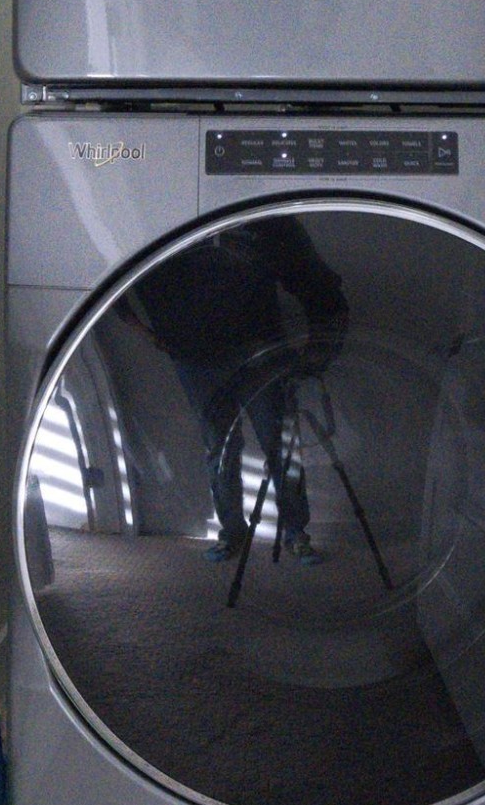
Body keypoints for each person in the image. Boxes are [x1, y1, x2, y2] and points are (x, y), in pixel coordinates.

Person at [127, 216, 349, 564]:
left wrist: (316, 356)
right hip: (197, 356)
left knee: (276, 444)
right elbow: (107, 285)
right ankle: (237, 532)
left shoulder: (264, 223)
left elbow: (319, 286)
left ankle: (292, 532)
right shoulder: (148, 222)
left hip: (258, 353)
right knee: (222, 446)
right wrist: (149, 333)